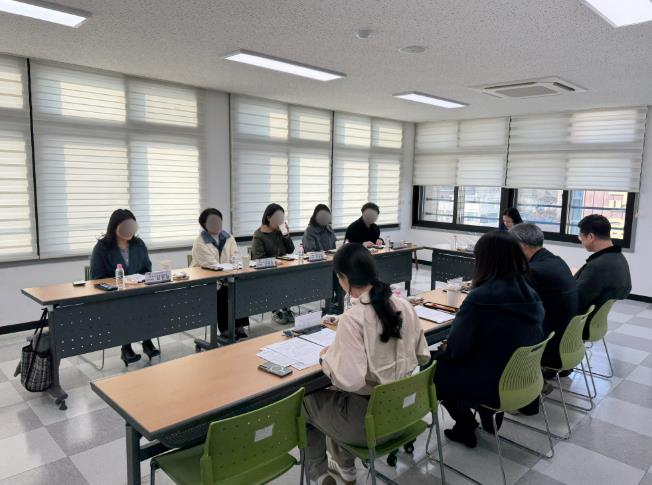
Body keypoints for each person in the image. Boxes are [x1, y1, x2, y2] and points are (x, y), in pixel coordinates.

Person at [303, 243, 429, 485]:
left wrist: (326, 358)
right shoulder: (403, 305)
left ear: (343, 278)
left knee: (308, 401)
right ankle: (344, 466)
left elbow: (349, 381)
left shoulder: (353, 319)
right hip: (406, 413)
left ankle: (320, 473)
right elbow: (423, 356)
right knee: (340, 398)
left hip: (370, 423)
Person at [433, 231, 544, 448]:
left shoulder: (481, 298)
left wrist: (444, 348)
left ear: (484, 260)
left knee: (431, 368)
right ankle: (485, 411)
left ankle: (465, 424)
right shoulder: (530, 292)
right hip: (523, 378)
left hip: (493, 383)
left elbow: (456, 349)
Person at [90, 209, 160, 366]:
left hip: (137, 291)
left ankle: (147, 341)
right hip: (114, 296)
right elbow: (97, 279)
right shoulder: (102, 247)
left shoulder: (139, 244)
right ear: (114, 227)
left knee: (150, 302)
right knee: (128, 306)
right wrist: (120, 283)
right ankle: (126, 347)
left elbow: (147, 269)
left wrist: (138, 280)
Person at [510, 223, 578, 371]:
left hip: (547, 346)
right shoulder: (557, 261)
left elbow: (513, 307)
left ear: (521, 246)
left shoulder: (533, 271)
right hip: (567, 340)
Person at [190, 208, 249, 339]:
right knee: (222, 292)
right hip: (208, 280)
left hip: (228, 276)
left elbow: (236, 257)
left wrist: (232, 270)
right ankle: (225, 329)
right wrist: (229, 272)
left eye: (218, 220)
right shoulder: (200, 241)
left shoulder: (228, 237)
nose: (216, 224)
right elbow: (211, 264)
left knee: (240, 289)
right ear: (204, 224)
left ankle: (239, 326)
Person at [575, 214, 632, 339]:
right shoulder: (619, 258)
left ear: (590, 237)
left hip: (579, 325)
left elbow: (575, 301)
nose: (581, 241)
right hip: (596, 323)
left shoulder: (598, 266)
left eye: (581, 237)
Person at [251, 203, 295, 324]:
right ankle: (277, 311)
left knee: (294, 278)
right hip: (267, 272)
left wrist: (286, 235)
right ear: (269, 217)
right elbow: (258, 259)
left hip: (282, 269)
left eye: (282, 218)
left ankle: (286, 308)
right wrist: (274, 262)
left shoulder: (280, 231)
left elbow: (291, 250)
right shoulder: (259, 235)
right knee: (279, 280)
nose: (280, 221)